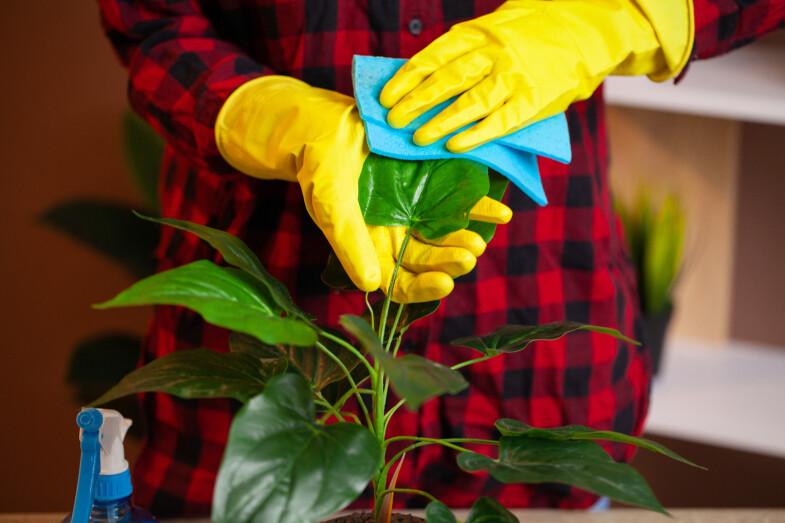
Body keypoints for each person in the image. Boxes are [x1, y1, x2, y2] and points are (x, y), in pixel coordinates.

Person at [98, 0, 784, 516]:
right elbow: (151, 20)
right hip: (261, 366)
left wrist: (612, 18)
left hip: (531, 351)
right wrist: (262, 114)